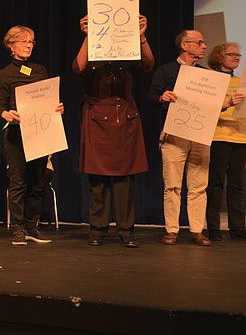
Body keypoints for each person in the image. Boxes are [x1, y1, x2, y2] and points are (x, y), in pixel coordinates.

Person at [74, 15, 154, 247]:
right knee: (97, 180)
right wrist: (89, 35)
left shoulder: (127, 55)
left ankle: (126, 231)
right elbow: (79, 67)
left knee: (125, 180)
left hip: (126, 120)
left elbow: (148, 63)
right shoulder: (92, 55)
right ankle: (97, 230)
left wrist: (141, 35)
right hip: (97, 120)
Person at [0, 25, 64, 246]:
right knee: (18, 181)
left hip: (39, 132)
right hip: (16, 133)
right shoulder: (5, 74)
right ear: (11, 45)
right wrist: (6, 113)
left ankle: (31, 226)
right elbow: (0, 105)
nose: (28, 46)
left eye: (31, 42)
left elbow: (47, 99)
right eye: (23, 41)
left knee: (38, 181)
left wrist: (57, 107)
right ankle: (17, 228)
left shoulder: (40, 70)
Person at [146, 29, 212, 246]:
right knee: (172, 185)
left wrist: (227, 104)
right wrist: (163, 97)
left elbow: (209, 107)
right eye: (199, 42)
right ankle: (172, 230)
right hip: (174, 135)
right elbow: (151, 97)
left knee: (198, 185)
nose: (203, 46)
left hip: (199, 135)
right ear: (185, 45)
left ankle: (196, 230)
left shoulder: (205, 75)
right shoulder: (166, 71)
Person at [205, 43, 246, 241]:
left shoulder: (242, 81)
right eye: (231, 54)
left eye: (238, 55)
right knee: (216, 183)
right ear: (219, 56)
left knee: (237, 184)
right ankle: (213, 229)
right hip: (218, 136)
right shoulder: (211, 80)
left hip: (241, 137)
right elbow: (205, 107)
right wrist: (228, 103)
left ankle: (238, 229)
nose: (236, 57)